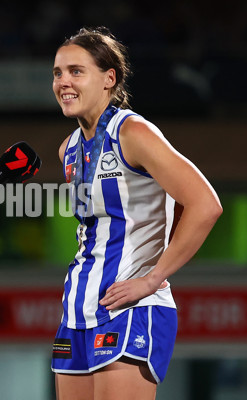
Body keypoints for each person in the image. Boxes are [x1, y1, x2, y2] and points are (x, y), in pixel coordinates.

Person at [51, 27, 222, 400]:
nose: (64, 81)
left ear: (108, 79)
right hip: (77, 313)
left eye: (76, 71)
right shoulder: (68, 150)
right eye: (58, 72)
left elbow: (205, 205)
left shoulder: (133, 132)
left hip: (132, 306)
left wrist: (153, 277)